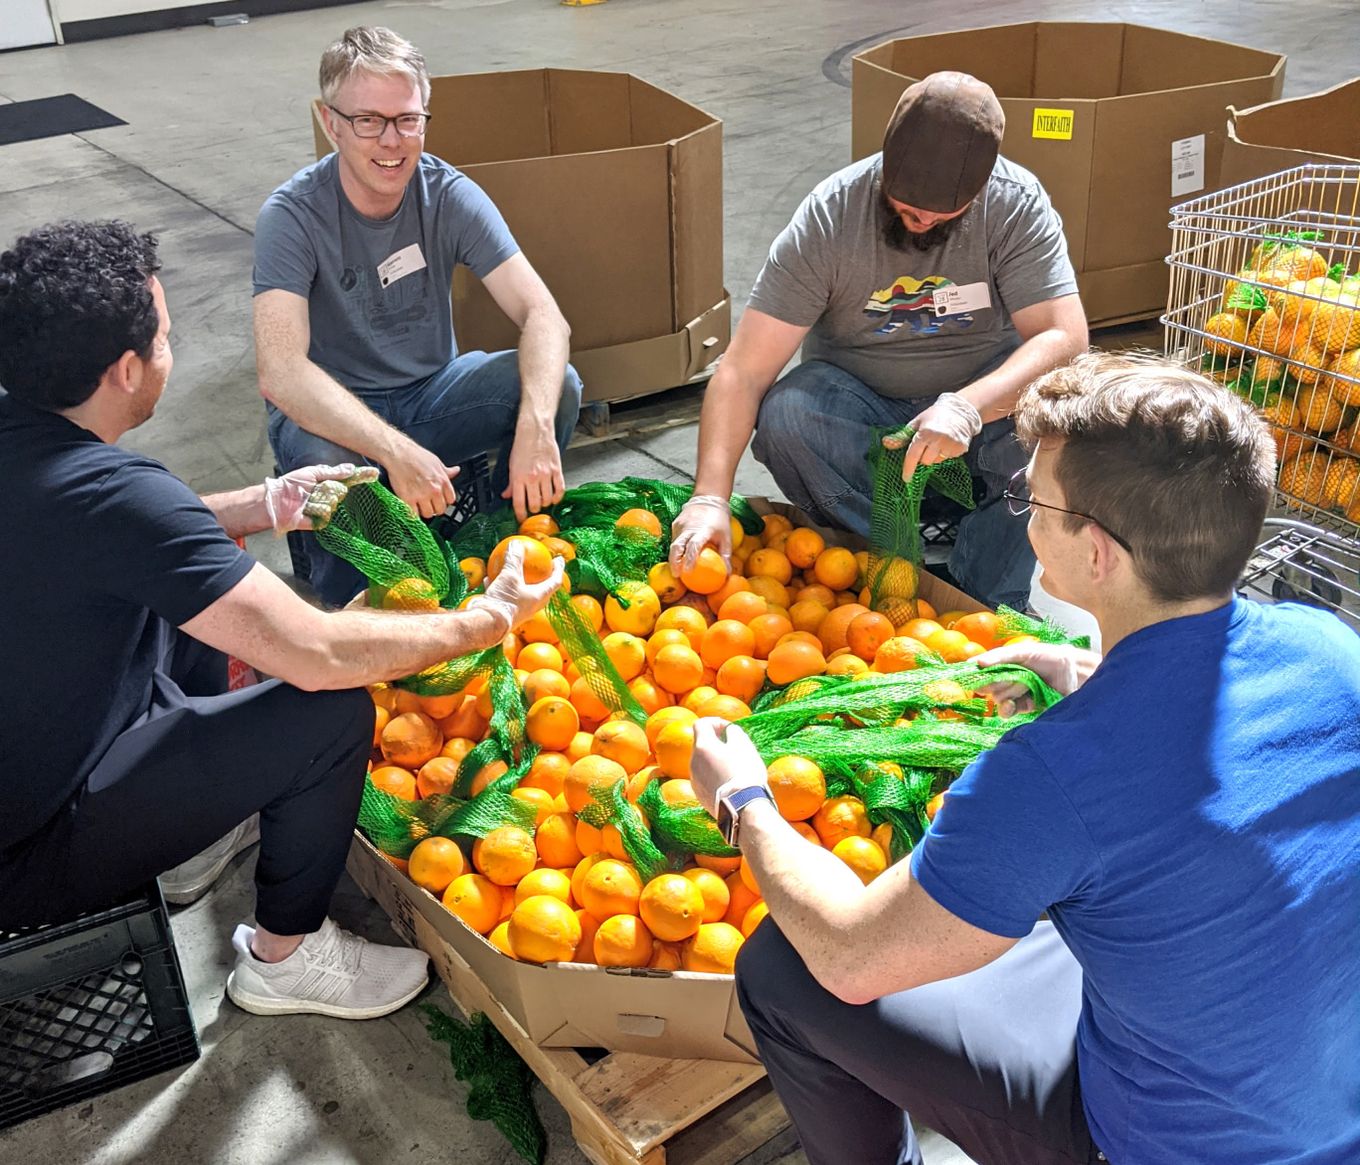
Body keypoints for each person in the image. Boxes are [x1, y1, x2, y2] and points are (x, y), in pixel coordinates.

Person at [687, 352, 1360, 1164]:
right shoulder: (1330, 649)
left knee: (784, 964)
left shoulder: (1049, 772)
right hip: (1321, 1100)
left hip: (1162, 1142)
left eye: (1034, 500)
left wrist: (746, 803)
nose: (1024, 516)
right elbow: (1200, 749)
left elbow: (851, 956)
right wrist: (1090, 675)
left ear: (1099, 553)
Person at [0, 220, 565, 1020]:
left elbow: (129, 536)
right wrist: (488, 617)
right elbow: (318, 653)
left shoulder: (30, 443)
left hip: (28, 754)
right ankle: (284, 958)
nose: (173, 345)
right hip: (29, 850)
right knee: (329, 714)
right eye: (166, 336)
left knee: (189, 596)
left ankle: (200, 820)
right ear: (128, 369)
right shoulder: (120, 494)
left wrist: (267, 504)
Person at [669, 71, 1087, 610]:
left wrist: (968, 406)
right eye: (908, 209)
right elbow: (743, 371)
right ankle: (886, 570)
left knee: (1051, 420)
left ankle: (987, 601)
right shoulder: (830, 217)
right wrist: (708, 497)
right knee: (790, 417)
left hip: (981, 413)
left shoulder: (1013, 205)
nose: (920, 226)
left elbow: (1065, 337)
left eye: (942, 216)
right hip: (865, 412)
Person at [254, 25, 582, 607]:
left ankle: (505, 554)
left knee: (557, 383)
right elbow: (281, 372)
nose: (393, 141)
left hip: (429, 395)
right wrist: (393, 452)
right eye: (368, 120)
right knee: (332, 470)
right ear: (330, 122)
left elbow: (543, 315)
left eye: (408, 119)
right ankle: (353, 609)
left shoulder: (447, 195)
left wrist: (534, 423)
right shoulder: (293, 216)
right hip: (335, 419)